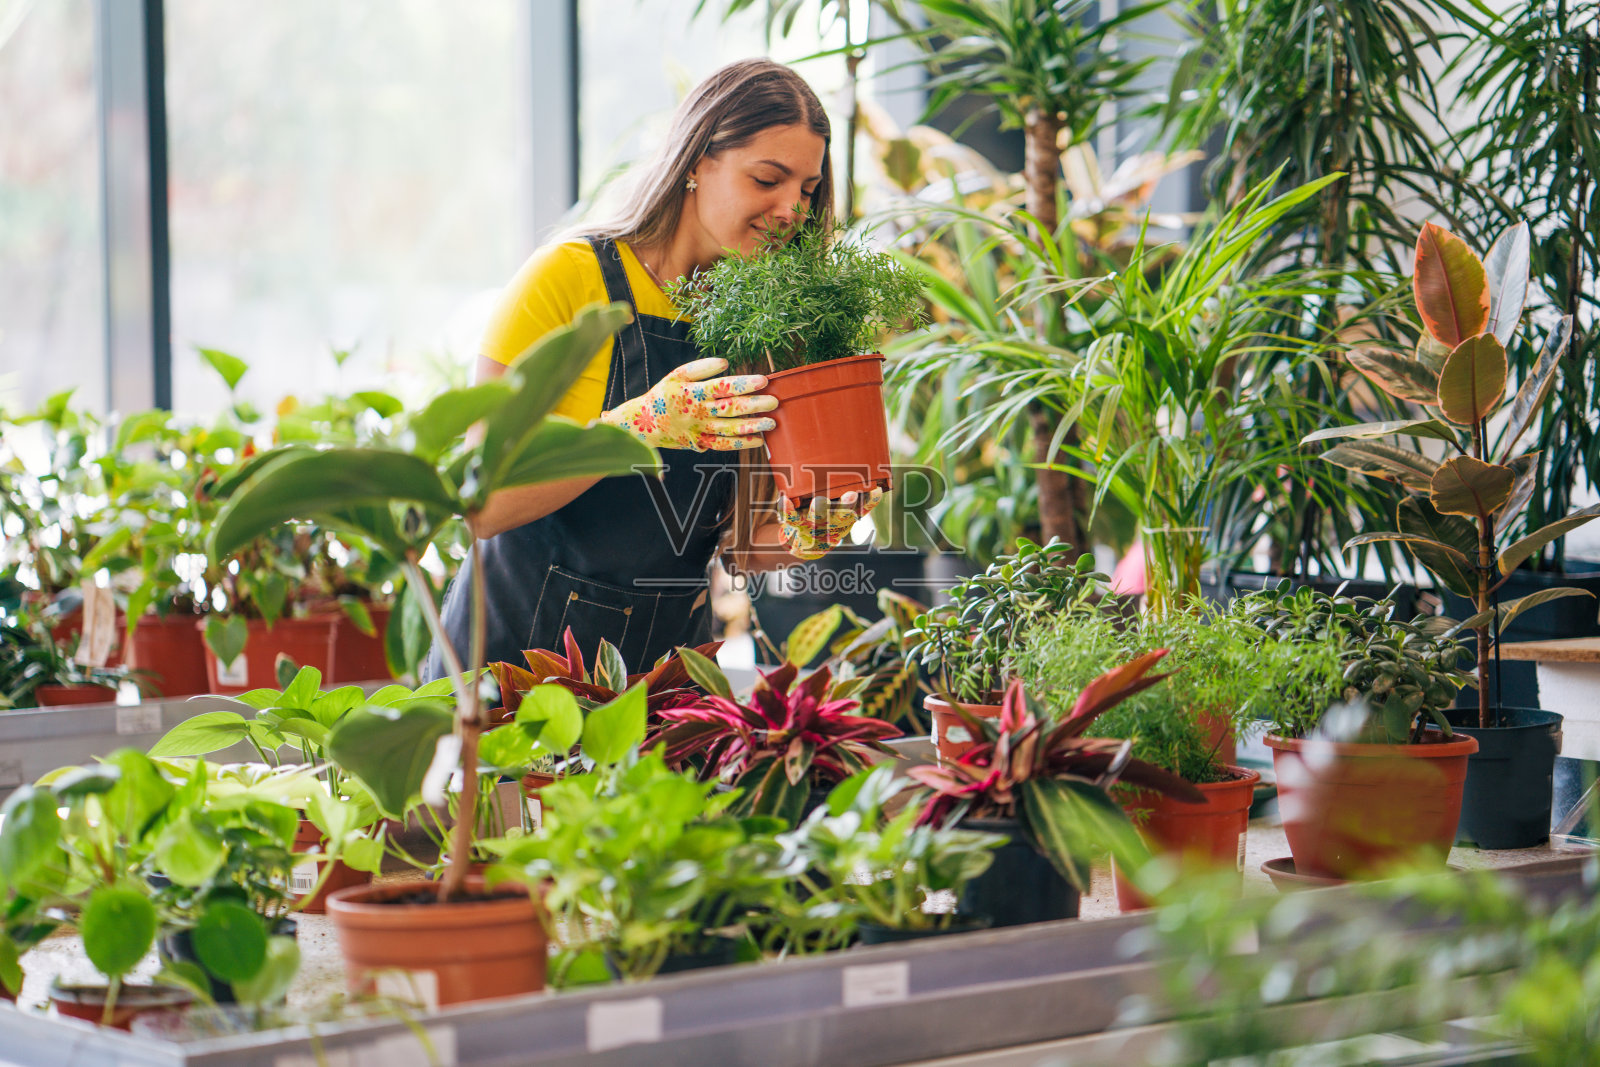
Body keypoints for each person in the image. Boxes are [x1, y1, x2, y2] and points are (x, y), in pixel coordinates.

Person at [424, 58, 884, 681]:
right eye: (768, 179)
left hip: (662, 682)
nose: (791, 210)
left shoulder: (764, 321)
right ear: (697, 161)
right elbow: (484, 506)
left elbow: (743, 545)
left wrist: (820, 523)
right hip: (513, 672)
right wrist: (637, 427)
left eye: (806, 190)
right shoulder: (570, 278)